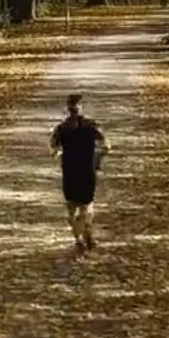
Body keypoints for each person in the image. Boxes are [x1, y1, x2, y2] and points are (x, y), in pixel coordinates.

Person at [50, 93, 110, 254]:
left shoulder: (61, 128)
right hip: (86, 169)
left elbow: (53, 149)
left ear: (67, 109)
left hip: (70, 170)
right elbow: (106, 146)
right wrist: (98, 158)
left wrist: (60, 154)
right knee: (86, 204)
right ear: (81, 108)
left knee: (72, 207)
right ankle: (86, 230)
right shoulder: (92, 126)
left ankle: (78, 237)